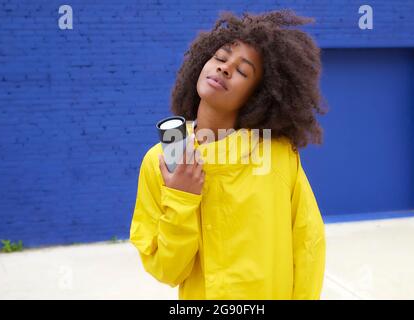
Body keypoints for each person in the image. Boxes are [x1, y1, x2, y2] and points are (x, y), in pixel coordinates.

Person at [129, 9, 329, 300]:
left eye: (243, 71)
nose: (224, 68)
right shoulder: (159, 161)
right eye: (220, 58)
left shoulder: (277, 155)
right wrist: (181, 198)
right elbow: (167, 271)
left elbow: (308, 243)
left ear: (258, 95)